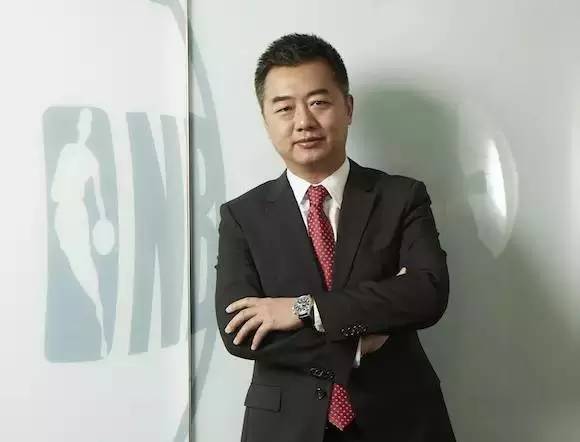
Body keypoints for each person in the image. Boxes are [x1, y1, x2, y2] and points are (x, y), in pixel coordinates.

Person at [215, 33, 455, 442]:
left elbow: (426, 292)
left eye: (318, 102)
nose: (303, 122)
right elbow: (239, 330)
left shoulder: (401, 197)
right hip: (286, 427)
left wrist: (303, 308)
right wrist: (356, 344)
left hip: (402, 419)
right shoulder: (242, 216)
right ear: (266, 120)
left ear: (348, 108)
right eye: (284, 108)